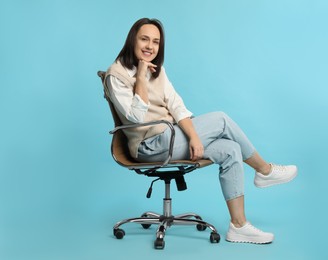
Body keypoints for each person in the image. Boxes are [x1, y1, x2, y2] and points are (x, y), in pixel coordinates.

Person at [104, 18, 297, 244]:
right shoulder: (115, 75)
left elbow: (177, 107)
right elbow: (135, 117)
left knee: (230, 149)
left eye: (156, 42)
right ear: (132, 40)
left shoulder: (158, 71)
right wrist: (141, 77)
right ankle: (265, 170)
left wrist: (194, 137)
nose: (150, 46)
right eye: (144, 39)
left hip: (171, 137)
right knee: (222, 120)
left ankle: (239, 225)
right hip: (148, 146)